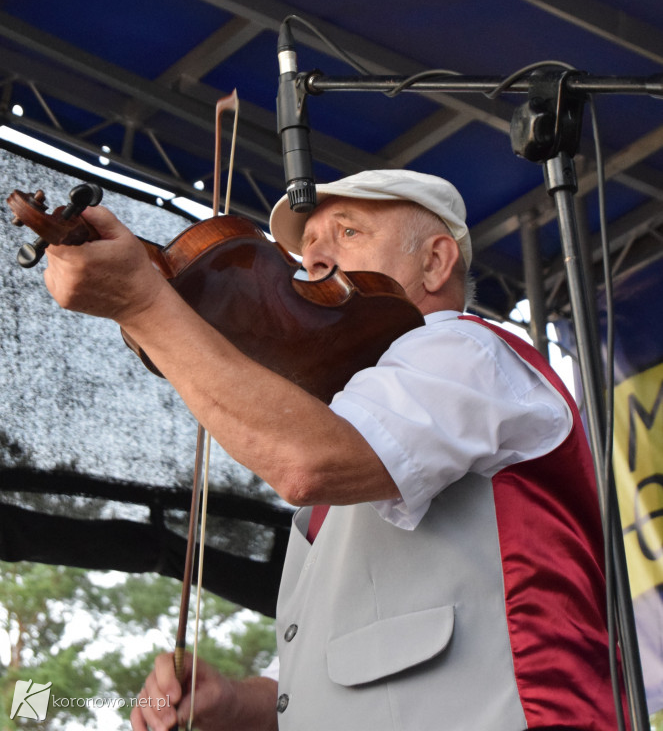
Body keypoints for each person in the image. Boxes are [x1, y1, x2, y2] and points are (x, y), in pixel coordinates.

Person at [43, 169, 623, 730]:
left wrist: (144, 304)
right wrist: (235, 702)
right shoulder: (360, 415)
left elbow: (305, 464)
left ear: (435, 261)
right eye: (308, 246)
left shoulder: (463, 349)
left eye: (348, 233)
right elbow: (327, 681)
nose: (314, 260)